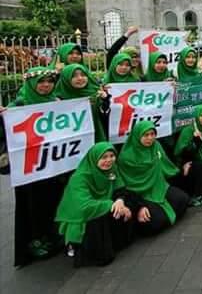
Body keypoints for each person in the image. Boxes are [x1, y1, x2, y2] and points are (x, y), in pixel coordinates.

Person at [1, 68, 65, 267]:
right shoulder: (19, 105)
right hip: (30, 169)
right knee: (32, 206)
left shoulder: (58, 102)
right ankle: (34, 241)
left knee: (53, 200)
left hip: (53, 165)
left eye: (49, 81)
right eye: (41, 81)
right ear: (31, 83)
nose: (46, 85)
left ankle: (54, 236)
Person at [55, 142, 134, 267]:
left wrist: (120, 201)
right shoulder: (79, 178)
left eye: (111, 156)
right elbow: (83, 207)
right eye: (104, 157)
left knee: (128, 201)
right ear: (94, 158)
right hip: (81, 217)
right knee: (100, 216)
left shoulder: (112, 169)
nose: (109, 160)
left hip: (102, 204)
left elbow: (120, 187)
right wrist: (111, 204)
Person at [118, 121, 189, 236]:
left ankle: (163, 211)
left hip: (159, 187)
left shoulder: (156, 146)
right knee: (156, 222)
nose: (150, 138)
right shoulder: (126, 157)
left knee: (183, 200)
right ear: (137, 136)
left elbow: (166, 165)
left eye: (152, 134)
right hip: (139, 194)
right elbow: (127, 184)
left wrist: (180, 170)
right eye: (146, 135)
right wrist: (139, 206)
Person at [54, 64, 108, 143]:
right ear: (66, 79)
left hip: (95, 138)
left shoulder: (96, 94)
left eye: (83, 75)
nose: (80, 78)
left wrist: (105, 100)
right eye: (74, 76)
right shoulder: (58, 98)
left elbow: (106, 117)